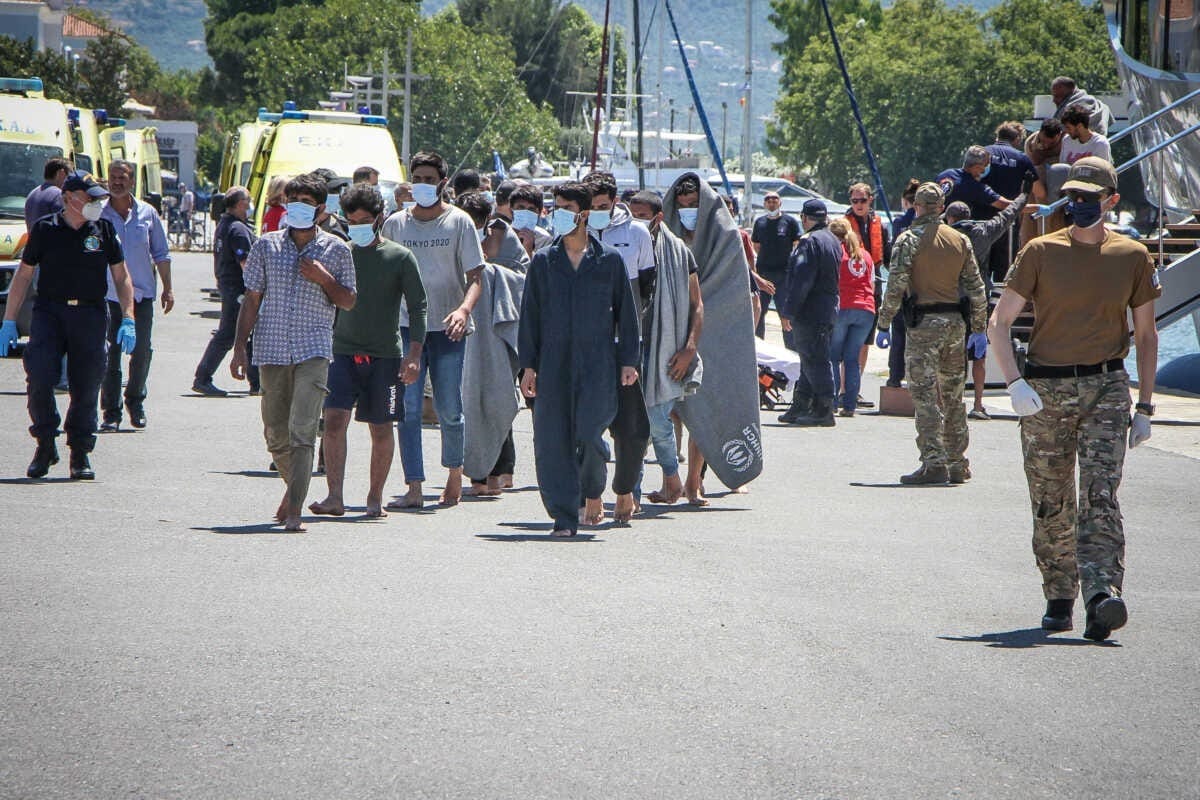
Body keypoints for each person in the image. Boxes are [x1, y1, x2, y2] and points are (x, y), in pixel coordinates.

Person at [987, 156, 1159, 641]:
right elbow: (999, 323)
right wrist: (1015, 383)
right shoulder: (1041, 251)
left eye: (1090, 197)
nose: (1080, 204)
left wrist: (1145, 406)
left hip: (1106, 387)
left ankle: (1102, 595)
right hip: (1045, 389)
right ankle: (1059, 593)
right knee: (1050, 498)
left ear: (1111, 201)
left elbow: (1146, 337)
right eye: (1074, 196)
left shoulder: (1132, 256)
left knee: (1100, 495)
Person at [229, 172, 357, 531]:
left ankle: (296, 510)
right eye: (292, 201)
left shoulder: (336, 249)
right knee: (275, 432)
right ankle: (294, 486)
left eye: (305, 203)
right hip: (270, 348)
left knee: (303, 429)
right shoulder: (266, 246)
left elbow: (348, 300)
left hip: (313, 349)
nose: (297, 208)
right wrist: (239, 347)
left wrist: (324, 279)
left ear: (320, 210)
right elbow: (251, 298)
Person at [518, 181, 641, 536]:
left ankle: (592, 490)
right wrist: (528, 366)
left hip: (598, 363)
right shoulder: (543, 262)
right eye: (555, 208)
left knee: (589, 433)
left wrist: (629, 361)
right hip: (552, 362)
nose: (558, 216)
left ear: (585, 214)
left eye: (566, 209)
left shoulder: (609, 261)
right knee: (553, 441)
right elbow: (530, 316)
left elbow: (627, 315)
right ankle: (563, 516)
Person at [1, 172, 135, 480]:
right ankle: (45, 443)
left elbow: (121, 276)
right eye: (90, 198)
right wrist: (9, 321)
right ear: (68, 198)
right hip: (50, 312)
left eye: (97, 199)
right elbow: (23, 276)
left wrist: (128, 319)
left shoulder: (102, 229)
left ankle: (80, 451)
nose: (96, 204)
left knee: (86, 384)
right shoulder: (45, 229)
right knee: (39, 378)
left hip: (89, 314)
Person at [308, 183, 426, 519]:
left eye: (364, 221)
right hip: (341, 352)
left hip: (385, 356)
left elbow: (418, 306)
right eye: (351, 221)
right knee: (333, 421)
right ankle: (334, 496)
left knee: (381, 426)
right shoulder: (337, 252)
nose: (357, 227)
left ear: (379, 218)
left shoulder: (399, 257)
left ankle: (374, 498)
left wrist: (414, 353)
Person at [380, 151, 485, 509]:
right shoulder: (395, 224)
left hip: (448, 330)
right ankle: (413, 485)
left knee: (449, 407)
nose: (423, 185)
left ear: (443, 182)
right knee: (407, 408)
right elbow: (383, 274)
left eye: (429, 179)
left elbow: (476, 278)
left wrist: (463, 309)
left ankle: (454, 474)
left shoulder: (459, 222)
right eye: (417, 178)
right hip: (407, 330)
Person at [875, 182, 988, 484]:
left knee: (925, 397)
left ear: (917, 206)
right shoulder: (959, 240)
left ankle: (933, 461)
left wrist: (884, 322)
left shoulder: (908, 240)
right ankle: (957, 461)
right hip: (954, 324)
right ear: (941, 207)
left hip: (924, 325)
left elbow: (896, 284)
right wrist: (979, 328)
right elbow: (976, 288)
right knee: (953, 396)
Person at [663, 174, 763, 503]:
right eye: (682, 206)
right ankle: (671, 480)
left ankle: (694, 480)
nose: (687, 211)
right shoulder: (666, 234)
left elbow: (732, 286)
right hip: (669, 329)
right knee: (670, 409)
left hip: (715, 333)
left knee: (706, 407)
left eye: (694, 206)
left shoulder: (726, 234)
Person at [582, 171, 655, 522]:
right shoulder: (568, 233)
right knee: (585, 427)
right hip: (583, 347)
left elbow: (646, 291)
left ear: (613, 202)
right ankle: (589, 494)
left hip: (623, 343)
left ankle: (627, 489)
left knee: (632, 428)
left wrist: (632, 342)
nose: (595, 212)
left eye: (601, 206)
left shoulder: (636, 234)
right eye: (589, 206)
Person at [628, 190, 704, 505]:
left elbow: (697, 304)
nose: (635, 222)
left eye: (642, 216)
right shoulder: (621, 244)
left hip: (664, 349)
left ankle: (667, 480)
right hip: (628, 345)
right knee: (630, 424)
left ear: (658, 218)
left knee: (657, 420)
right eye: (631, 214)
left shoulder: (679, 252)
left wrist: (689, 349)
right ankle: (635, 488)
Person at [454, 190, 526, 497]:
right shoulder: (452, 236)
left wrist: (491, 269)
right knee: (467, 401)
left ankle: (499, 471)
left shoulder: (504, 239)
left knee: (496, 398)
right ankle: (475, 475)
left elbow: (523, 278)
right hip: (463, 331)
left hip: (496, 334)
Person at [99, 160, 173, 431]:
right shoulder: (98, 214)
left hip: (141, 296)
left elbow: (161, 254)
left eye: (122, 177)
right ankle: (111, 411)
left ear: (132, 181)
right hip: (107, 297)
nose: (117, 182)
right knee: (110, 355)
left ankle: (135, 401)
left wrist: (168, 287)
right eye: (113, 177)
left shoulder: (147, 214)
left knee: (141, 352)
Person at [943, 193, 1028, 419]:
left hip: (951, 303)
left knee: (952, 358)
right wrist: (1024, 196)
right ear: (968, 216)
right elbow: (1007, 215)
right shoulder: (983, 233)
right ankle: (978, 405)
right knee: (979, 356)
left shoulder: (944, 236)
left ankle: (950, 404)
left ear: (949, 218)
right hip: (978, 303)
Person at [776, 199, 842, 427]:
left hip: (811, 310)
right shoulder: (832, 239)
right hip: (828, 307)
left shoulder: (809, 241)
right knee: (809, 357)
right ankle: (801, 404)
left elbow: (801, 280)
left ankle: (824, 408)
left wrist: (788, 311)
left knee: (814, 358)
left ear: (805, 218)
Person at [194, 186, 257, 396]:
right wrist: (256, 289)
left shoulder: (225, 224)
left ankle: (256, 382)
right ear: (240, 204)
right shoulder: (238, 228)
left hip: (229, 286)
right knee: (229, 334)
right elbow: (246, 264)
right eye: (248, 201)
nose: (250, 206)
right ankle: (203, 378)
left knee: (250, 333)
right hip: (238, 289)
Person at [843, 182, 889, 409]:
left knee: (863, 343)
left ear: (870, 200)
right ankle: (843, 390)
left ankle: (855, 389)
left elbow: (887, 258)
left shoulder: (880, 225)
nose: (858, 205)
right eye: (854, 201)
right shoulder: (843, 225)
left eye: (862, 200)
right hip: (849, 288)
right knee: (844, 342)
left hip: (872, 288)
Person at [826, 218, 875, 417]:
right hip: (866, 310)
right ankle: (850, 406)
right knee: (852, 359)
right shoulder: (866, 256)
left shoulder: (836, 254)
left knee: (833, 357)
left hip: (843, 307)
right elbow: (872, 285)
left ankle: (832, 403)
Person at [750, 190, 800, 342]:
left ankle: (791, 350)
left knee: (786, 314)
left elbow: (796, 243)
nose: (772, 203)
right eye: (768, 200)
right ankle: (760, 350)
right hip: (764, 274)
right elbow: (756, 245)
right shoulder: (760, 222)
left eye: (775, 200)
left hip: (784, 275)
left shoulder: (789, 222)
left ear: (780, 202)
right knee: (759, 312)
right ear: (764, 203)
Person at [886, 179, 921, 388]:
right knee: (917, 334)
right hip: (921, 285)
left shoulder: (899, 223)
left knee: (898, 333)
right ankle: (914, 376)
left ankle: (894, 376)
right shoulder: (929, 223)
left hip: (900, 284)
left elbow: (892, 255)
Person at [937, 145, 1013, 220]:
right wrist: (1022, 204)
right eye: (986, 165)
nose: (987, 168)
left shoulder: (945, 174)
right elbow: (1003, 204)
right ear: (977, 167)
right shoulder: (974, 186)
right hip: (953, 229)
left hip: (932, 226)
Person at [24, 157, 71, 230]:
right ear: (61, 173)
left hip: (34, 240)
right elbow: (65, 226)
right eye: (69, 176)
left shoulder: (32, 193)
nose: (70, 180)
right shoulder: (58, 195)